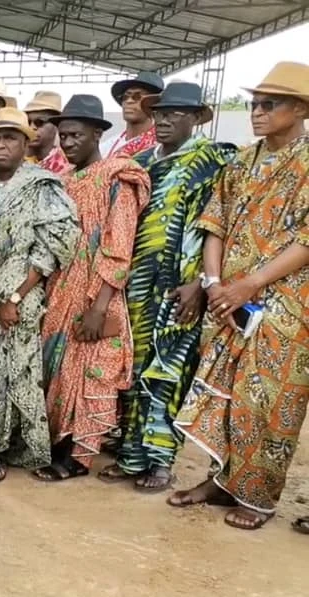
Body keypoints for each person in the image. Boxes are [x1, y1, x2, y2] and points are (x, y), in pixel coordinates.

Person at [170, 61, 309, 530]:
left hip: (287, 304)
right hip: (229, 302)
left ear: (301, 109)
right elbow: (215, 225)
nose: (257, 111)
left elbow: (307, 242)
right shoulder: (240, 161)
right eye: (253, 103)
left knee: (269, 401)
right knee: (227, 395)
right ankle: (219, 481)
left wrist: (250, 284)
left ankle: (258, 496)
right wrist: (214, 285)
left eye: (270, 104)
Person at [100, 83, 236, 492]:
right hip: (137, 285)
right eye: (160, 112)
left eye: (177, 113)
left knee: (168, 372)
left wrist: (199, 282)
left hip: (182, 289)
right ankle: (130, 456)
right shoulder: (138, 163)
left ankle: (160, 462)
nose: (164, 119)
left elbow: (221, 224)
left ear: (196, 118)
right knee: (132, 369)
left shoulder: (214, 160)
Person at [0, 108, 80, 482]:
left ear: (26, 143)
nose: (0, 145)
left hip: (18, 292)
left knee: (13, 371)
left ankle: (2, 449)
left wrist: (15, 297)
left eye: (10, 138)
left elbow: (54, 246)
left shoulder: (42, 185)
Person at [37, 95, 150, 481]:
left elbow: (120, 243)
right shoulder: (64, 182)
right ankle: (60, 443)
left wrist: (100, 306)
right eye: (62, 136)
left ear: (98, 133)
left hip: (97, 293)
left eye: (75, 136)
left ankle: (80, 457)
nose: (67, 143)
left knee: (91, 370)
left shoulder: (119, 176)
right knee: (59, 368)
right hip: (60, 289)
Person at [101, 71, 165, 158]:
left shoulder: (160, 146)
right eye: (125, 97)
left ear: (153, 103)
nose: (129, 101)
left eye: (137, 97)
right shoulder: (107, 146)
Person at [23, 91, 71, 174]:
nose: (32, 127)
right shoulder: (17, 160)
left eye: (39, 122)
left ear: (56, 125)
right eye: (28, 122)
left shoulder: (66, 167)